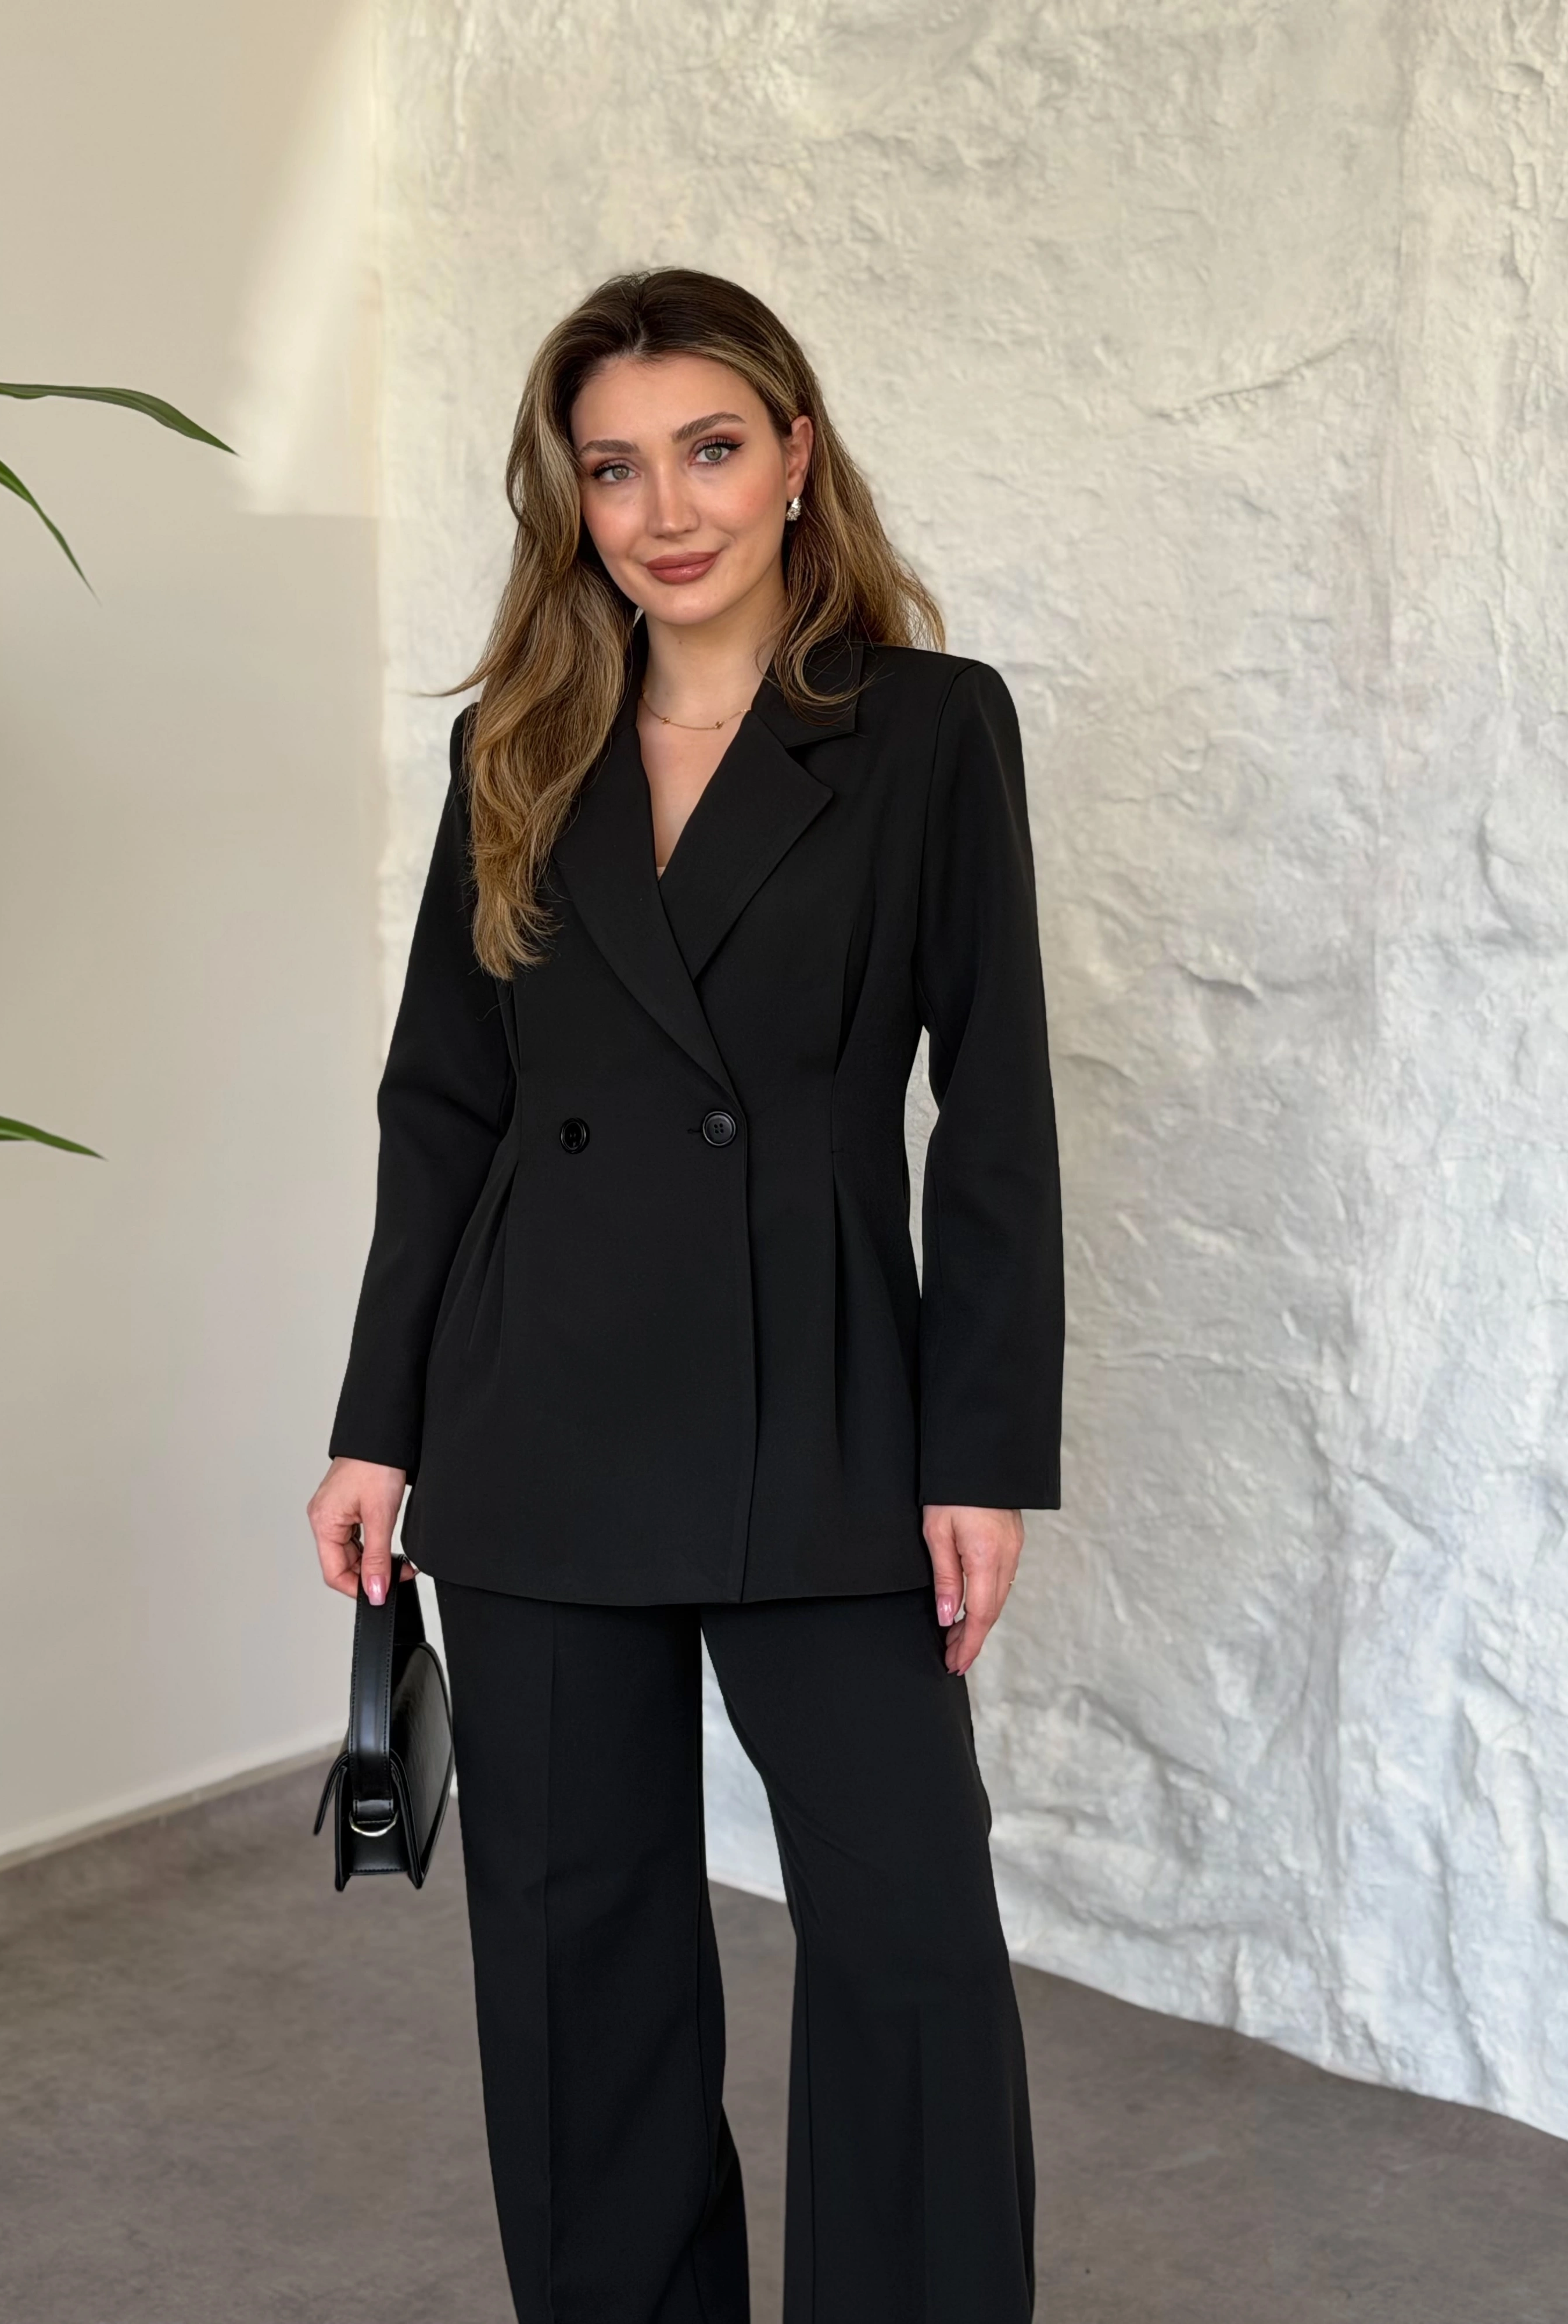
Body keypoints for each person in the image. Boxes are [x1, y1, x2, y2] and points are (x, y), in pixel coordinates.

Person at [308, 266, 1064, 2324]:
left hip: (824, 1408)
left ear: (796, 457)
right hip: (536, 1415)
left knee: (910, 1941)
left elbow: (992, 1117)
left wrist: (980, 1455)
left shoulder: (926, 731)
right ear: (571, 497)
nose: (667, 509)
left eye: (711, 450)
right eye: (616, 466)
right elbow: (442, 1110)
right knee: (578, 1958)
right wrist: (379, 1424)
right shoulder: (515, 747)